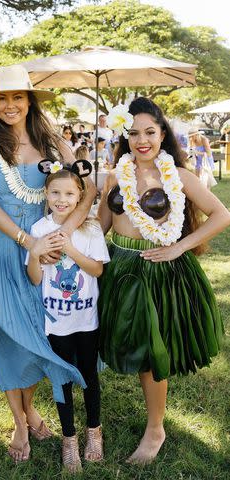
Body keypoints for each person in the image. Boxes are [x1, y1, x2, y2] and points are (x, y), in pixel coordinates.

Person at [0, 65, 96, 463]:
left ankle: (32, 407)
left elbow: (86, 187)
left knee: (38, 329)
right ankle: (20, 421)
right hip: (2, 242)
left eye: (17, 97)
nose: (9, 105)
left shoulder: (52, 140)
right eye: (2, 98)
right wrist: (28, 241)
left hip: (47, 241)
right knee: (6, 331)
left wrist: (64, 233)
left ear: (29, 101)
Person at [97, 97, 230, 465]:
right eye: (134, 132)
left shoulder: (178, 176)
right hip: (122, 269)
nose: (142, 140)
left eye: (150, 132)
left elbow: (222, 214)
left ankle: (156, 428)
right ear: (125, 136)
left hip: (161, 270)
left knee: (156, 350)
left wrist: (180, 247)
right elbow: (101, 227)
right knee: (136, 345)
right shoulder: (114, 175)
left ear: (162, 133)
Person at [26, 161, 110, 473]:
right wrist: (35, 253)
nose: (62, 199)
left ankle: (93, 431)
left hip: (86, 320)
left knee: (88, 375)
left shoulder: (90, 228)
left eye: (69, 194)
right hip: (55, 322)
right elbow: (35, 278)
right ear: (46, 195)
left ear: (79, 198)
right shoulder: (38, 230)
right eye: (55, 192)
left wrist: (70, 250)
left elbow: (98, 270)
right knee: (61, 379)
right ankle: (69, 439)